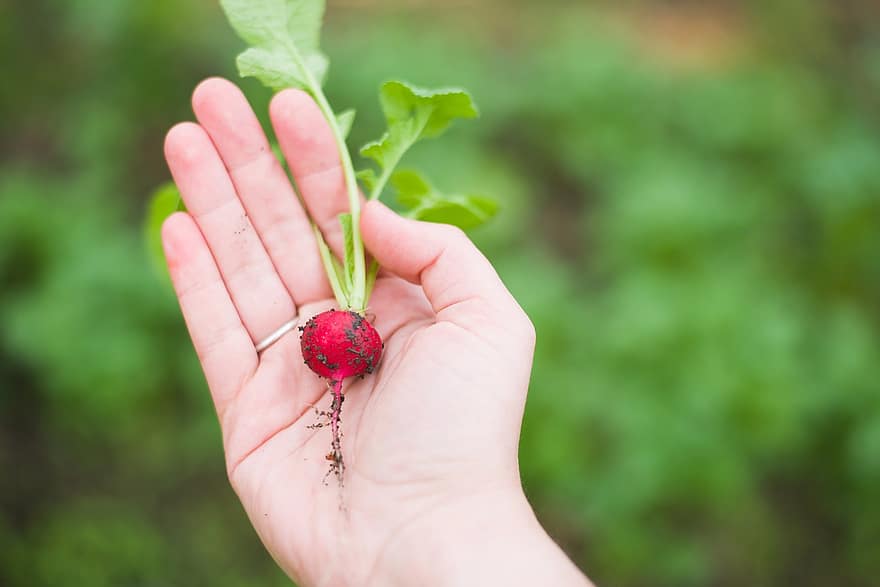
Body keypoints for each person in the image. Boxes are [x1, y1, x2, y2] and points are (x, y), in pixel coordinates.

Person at [161, 77, 593, 587]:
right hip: (342, 336)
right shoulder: (341, 339)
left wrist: (429, 512)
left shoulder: (343, 340)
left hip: (343, 336)